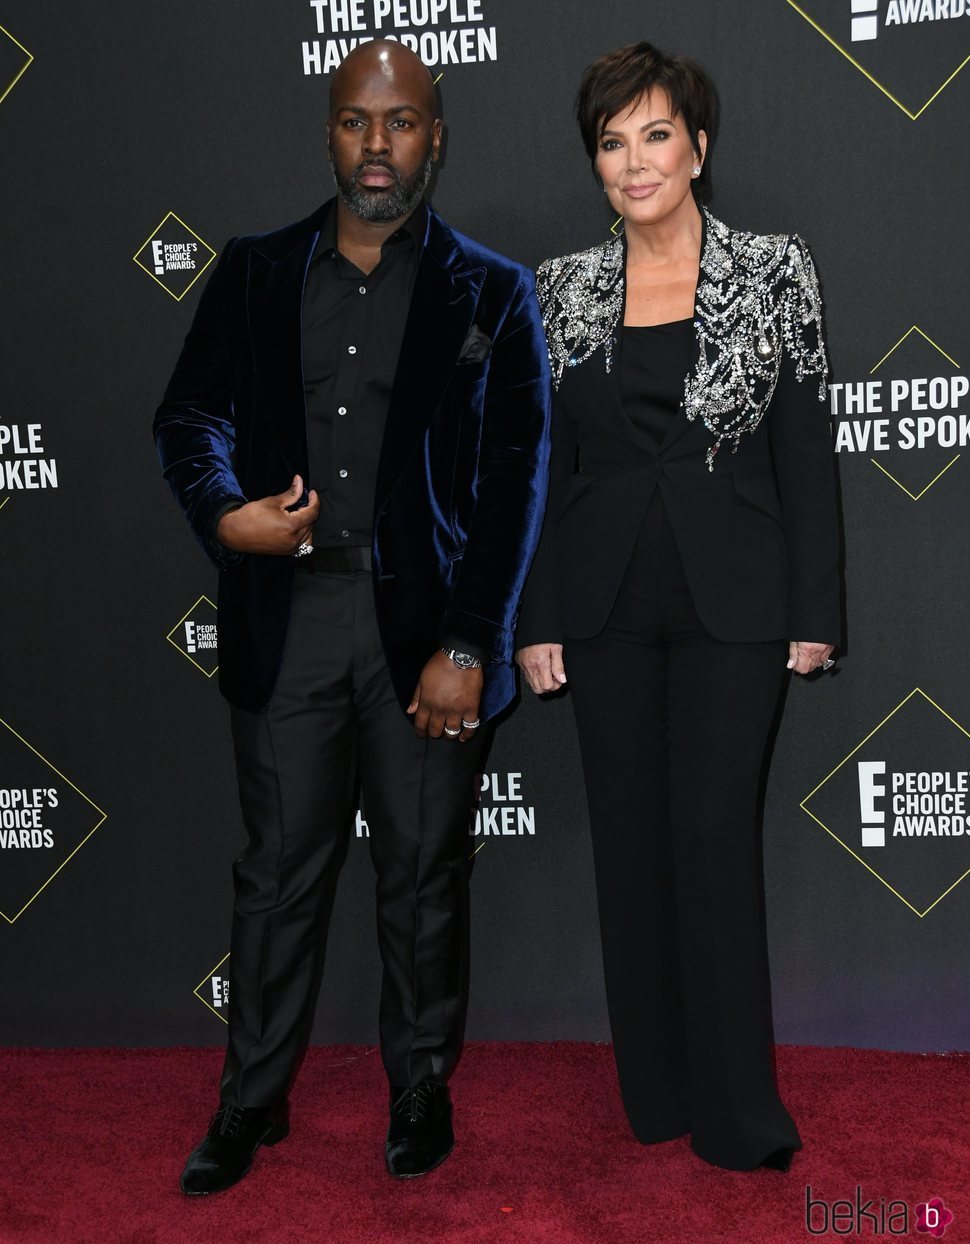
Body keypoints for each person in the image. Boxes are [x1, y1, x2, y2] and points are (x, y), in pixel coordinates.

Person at [154, 40, 550, 1193]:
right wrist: (228, 517)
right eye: (354, 121)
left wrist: (469, 644)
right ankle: (250, 1098)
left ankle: (419, 1082)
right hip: (287, 619)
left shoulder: (491, 290)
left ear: (436, 134)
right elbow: (187, 417)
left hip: (424, 637)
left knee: (423, 873)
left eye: (401, 122)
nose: (376, 145)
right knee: (277, 871)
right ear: (329, 132)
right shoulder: (252, 271)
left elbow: (511, 483)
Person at [517, 42, 841, 1172]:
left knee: (710, 836)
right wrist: (534, 615)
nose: (633, 159)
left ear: (697, 146)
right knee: (628, 845)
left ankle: (734, 1109)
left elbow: (805, 449)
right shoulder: (559, 287)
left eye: (655, 133)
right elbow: (542, 472)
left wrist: (815, 606)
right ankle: (652, 1092)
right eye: (611, 140)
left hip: (735, 606)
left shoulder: (774, 268)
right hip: (602, 610)